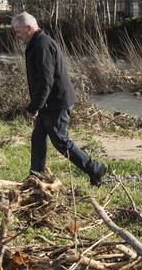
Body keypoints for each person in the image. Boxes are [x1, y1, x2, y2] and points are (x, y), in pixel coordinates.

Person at [15, 12, 109, 186]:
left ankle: (95, 169)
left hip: (56, 103)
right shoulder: (37, 43)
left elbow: (46, 81)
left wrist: (34, 106)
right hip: (49, 103)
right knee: (37, 139)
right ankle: (36, 177)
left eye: (18, 30)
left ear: (28, 28)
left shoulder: (42, 45)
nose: (17, 35)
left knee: (61, 142)